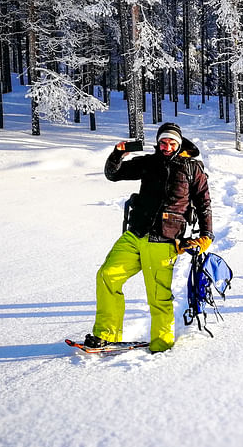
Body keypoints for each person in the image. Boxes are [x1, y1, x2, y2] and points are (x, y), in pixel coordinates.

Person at [84, 122, 213, 352]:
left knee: (158, 297)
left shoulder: (192, 168)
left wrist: (207, 235)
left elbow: (204, 203)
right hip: (135, 234)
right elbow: (113, 174)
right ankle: (106, 335)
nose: (166, 146)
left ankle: (161, 345)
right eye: (163, 142)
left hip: (164, 240)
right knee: (107, 275)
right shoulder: (148, 162)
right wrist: (118, 153)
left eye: (171, 142)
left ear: (179, 143)